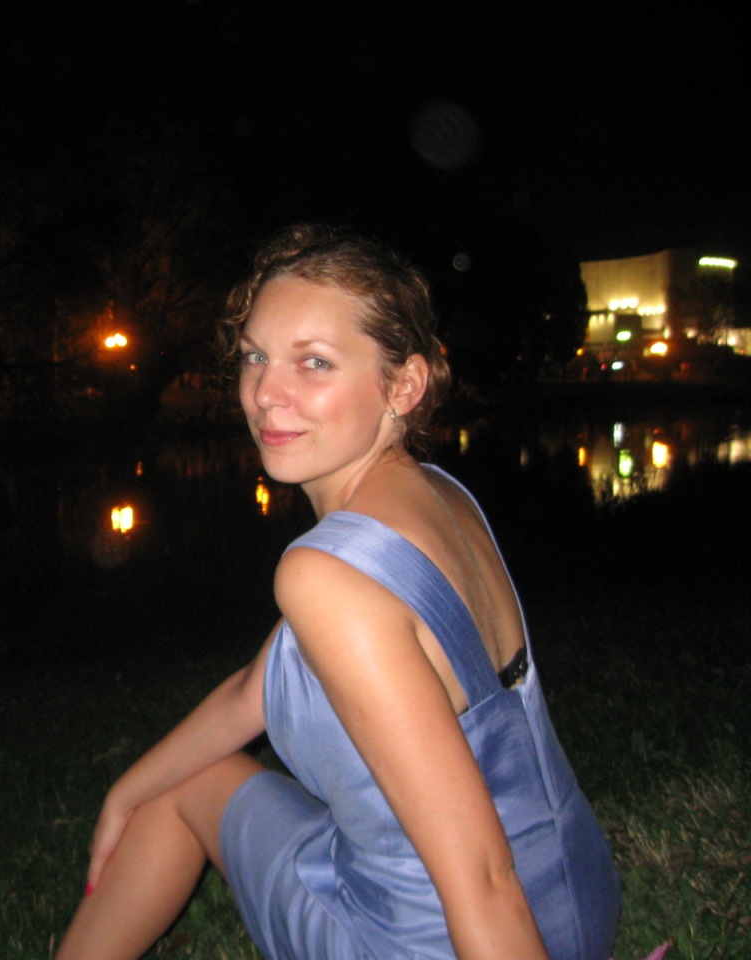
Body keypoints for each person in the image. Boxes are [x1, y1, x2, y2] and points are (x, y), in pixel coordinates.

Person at [54, 224, 622, 960]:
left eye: (314, 362)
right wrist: (125, 791)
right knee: (177, 777)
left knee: (183, 790)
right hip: (575, 897)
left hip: (444, 939)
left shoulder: (327, 573)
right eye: (255, 356)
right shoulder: (441, 495)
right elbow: (256, 690)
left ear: (404, 385)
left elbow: (481, 879)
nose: (266, 394)